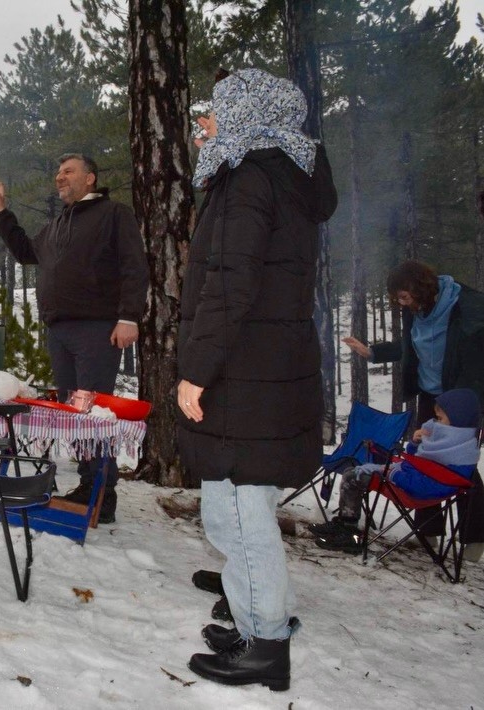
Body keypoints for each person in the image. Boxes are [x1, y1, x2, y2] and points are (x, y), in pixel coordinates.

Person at [177, 68, 338, 690]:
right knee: (234, 512)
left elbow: (231, 284)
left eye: (211, 113)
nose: (202, 126)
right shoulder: (270, 175)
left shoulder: (250, 179)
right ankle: (252, 620)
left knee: (242, 518)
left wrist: (197, 371)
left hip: (246, 374)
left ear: (245, 115)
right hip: (261, 371)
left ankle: (267, 643)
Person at [0, 154, 148, 524]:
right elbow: (27, 252)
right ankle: (89, 487)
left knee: (92, 413)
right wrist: (2, 215)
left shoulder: (113, 215)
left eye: (68, 171)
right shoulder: (58, 224)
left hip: (96, 328)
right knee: (76, 415)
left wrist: (129, 316)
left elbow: (134, 265)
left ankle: (101, 496)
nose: (60, 177)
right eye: (58, 172)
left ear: (90, 178)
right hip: (60, 330)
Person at [342, 260, 484, 559]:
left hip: (460, 401)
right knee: (421, 458)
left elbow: (475, 358)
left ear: (422, 289)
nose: (401, 303)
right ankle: (429, 532)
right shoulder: (416, 312)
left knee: (459, 467)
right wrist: (372, 352)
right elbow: (409, 347)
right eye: (397, 299)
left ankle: (475, 537)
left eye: (404, 296)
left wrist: (465, 402)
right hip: (430, 395)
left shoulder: (462, 307)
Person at [310, 388, 481, 552]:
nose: (435, 423)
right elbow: (419, 462)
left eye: (440, 419)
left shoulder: (459, 455)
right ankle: (344, 525)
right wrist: (415, 444)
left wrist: (394, 473)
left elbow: (427, 485)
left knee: (352, 477)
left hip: (409, 488)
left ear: (458, 420)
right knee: (353, 472)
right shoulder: (452, 443)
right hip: (406, 477)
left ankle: (349, 534)